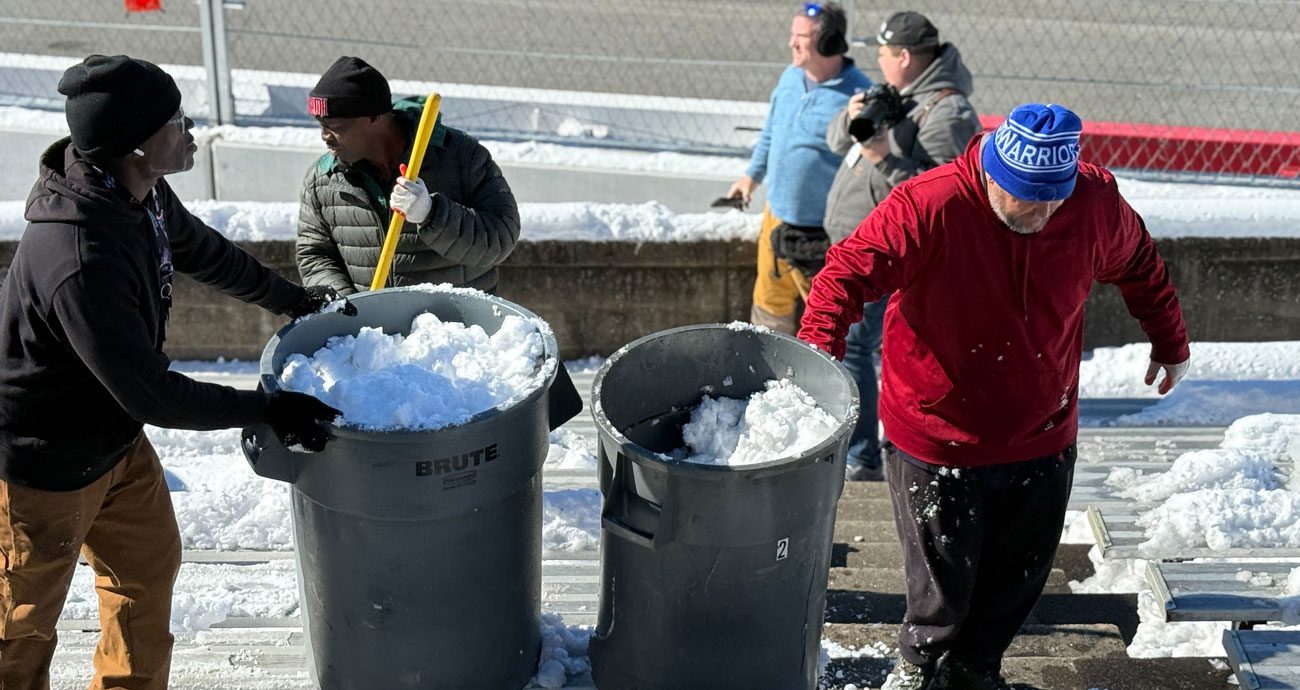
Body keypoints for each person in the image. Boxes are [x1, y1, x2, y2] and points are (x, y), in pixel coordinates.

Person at [799, 104, 1191, 690]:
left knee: (1018, 579)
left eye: (1054, 198)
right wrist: (818, 357)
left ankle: (977, 672)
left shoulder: (1092, 204)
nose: (1042, 212)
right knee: (943, 585)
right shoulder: (928, 205)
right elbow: (845, 276)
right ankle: (918, 666)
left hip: (1041, 428)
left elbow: (1140, 264)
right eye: (1027, 199)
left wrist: (1170, 340)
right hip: (936, 433)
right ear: (991, 176)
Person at [0, 54, 345, 689]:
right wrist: (268, 407)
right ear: (135, 144)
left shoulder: (138, 190)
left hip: (114, 442)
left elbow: (198, 248)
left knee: (146, 573)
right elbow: (154, 393)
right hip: (41, 465)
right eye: (176, 120)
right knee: (21, 627)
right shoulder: (80, 259)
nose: (190, 129)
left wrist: (293, 301)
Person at [824, 11, 981, 482]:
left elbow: (950, 197)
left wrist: (885, 157)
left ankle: (863, 455)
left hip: (891, 256)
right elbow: (837, 142)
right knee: (854, 346)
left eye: (884, 53)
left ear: (906, 57)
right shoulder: (900, 97)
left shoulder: (947, 113)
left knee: (854, 347)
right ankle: (866, 450)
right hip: (858, 246)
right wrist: (853, 118)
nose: (878, 59)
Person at [297, 56, 520, 295]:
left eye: (336, 127)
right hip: (373, 329)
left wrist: (431, 213)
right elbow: (314, 255)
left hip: (455, 325)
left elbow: (500, 239)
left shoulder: (460, 156)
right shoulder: (323, 179)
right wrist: (349, 309)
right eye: (320, 125)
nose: (325, 136)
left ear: (374, 117)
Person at [725, 2, 871, 334]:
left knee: (825, 317)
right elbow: (772, 131)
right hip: (776, 216)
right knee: (768, 303)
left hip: (821, 234)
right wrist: (752, 176)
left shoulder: (859, 97)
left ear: (828, 43)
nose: (792, 43)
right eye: (792, 35)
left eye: (801, 37)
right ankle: (764, 371)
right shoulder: (790, 77)